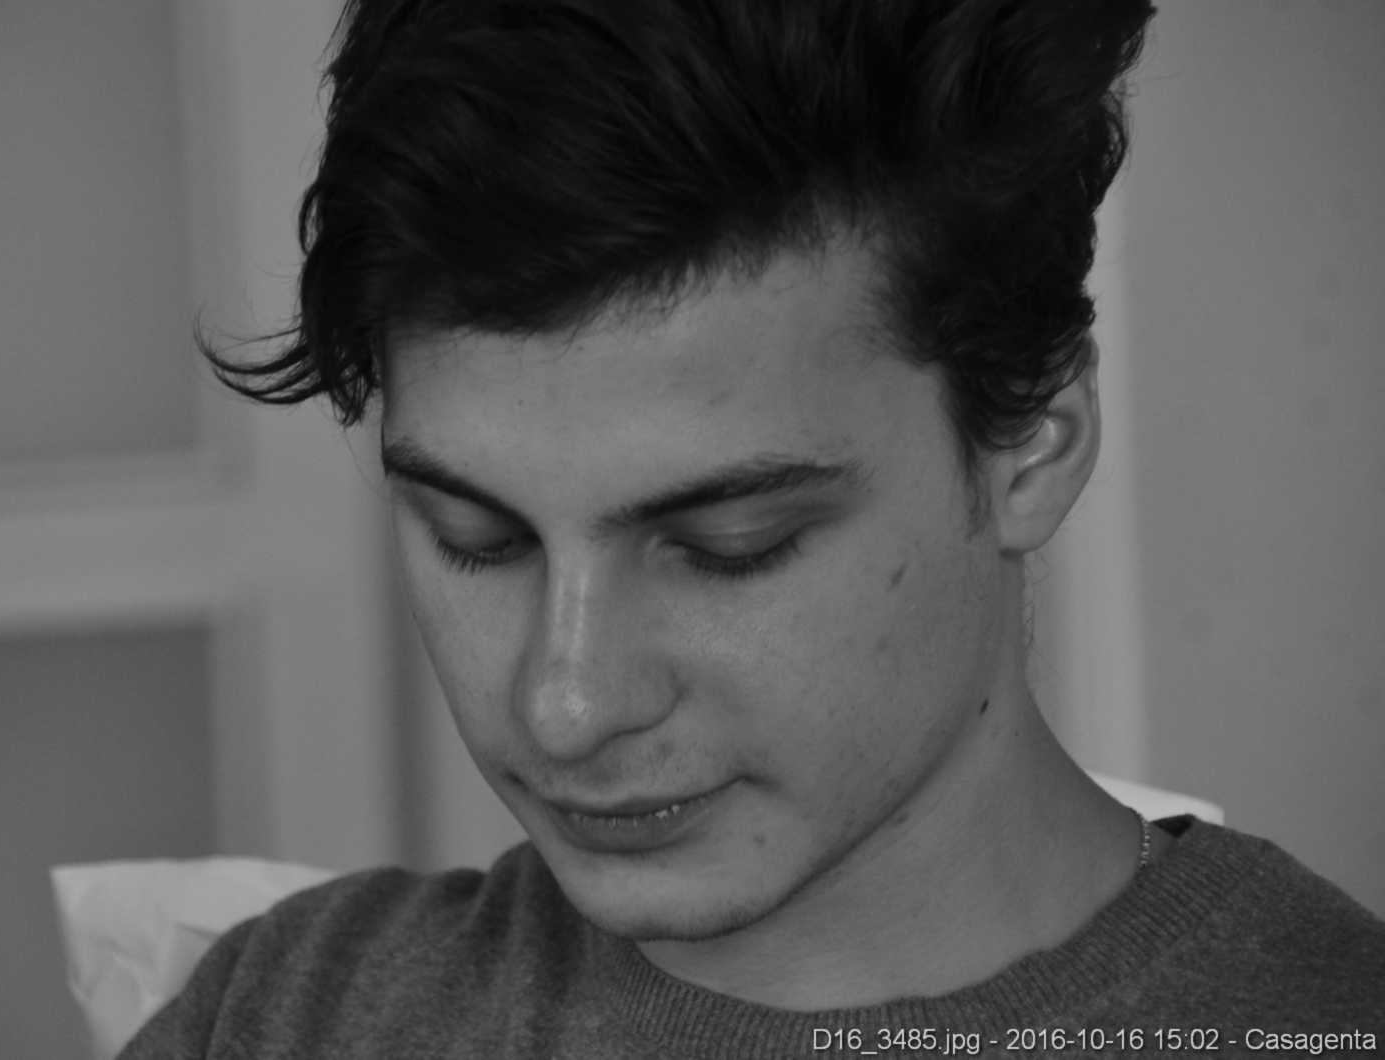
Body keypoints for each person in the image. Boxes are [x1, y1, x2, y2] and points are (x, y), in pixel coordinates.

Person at [121, 1, 1385, 1055]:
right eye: (477, 536)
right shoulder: (284, 1015)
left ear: (1030, 447)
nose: (566, 705)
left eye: (729, 544)